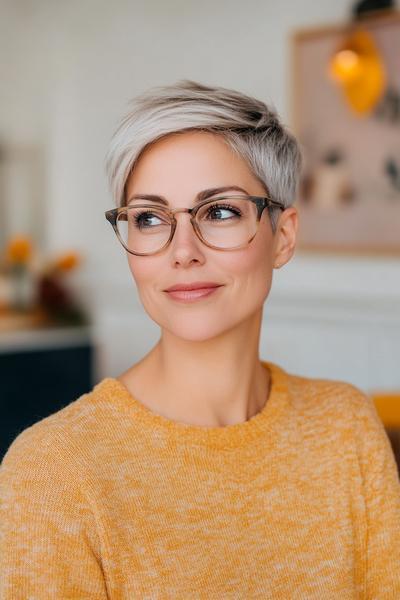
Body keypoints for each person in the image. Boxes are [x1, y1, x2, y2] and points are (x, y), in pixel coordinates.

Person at [1, 80, 399, 599]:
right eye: (149, 218)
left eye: (220, 211)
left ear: (283, 237)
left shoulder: (346, 426)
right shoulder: (52, 474)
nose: (182, 251)